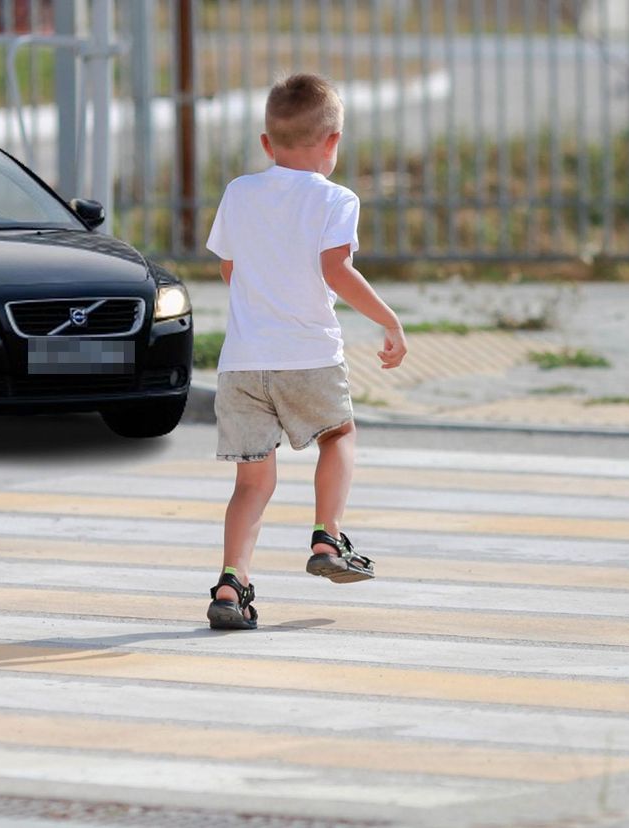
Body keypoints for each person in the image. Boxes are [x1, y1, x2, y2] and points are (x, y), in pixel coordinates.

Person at [204, 72, 407, 631]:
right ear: (333, 142)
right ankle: (327, 538)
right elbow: (336, 269)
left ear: (266, 144)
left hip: (242, 362)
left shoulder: (239, 193)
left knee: (251, 483)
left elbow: (228, 267)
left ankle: (231, 583)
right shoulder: (336, 199)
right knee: (338, 435)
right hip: (308, 355)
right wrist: (389, 320)